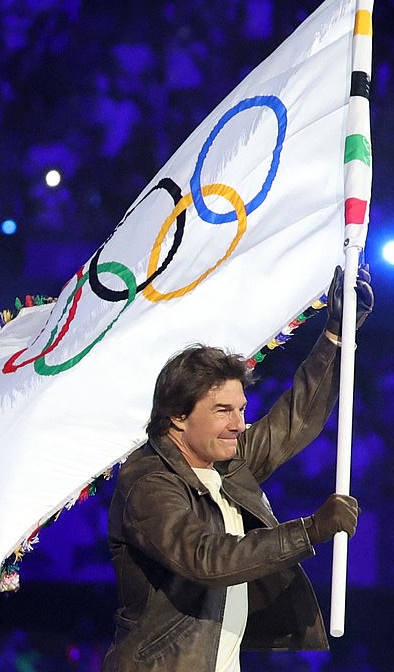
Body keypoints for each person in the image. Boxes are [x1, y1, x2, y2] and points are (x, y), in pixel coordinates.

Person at [102, 266, 374, 672]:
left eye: (242, 409)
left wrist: (336, 334)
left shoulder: (225, 461)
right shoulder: (148, 482)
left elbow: (294, 419)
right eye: (222, 411)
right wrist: (311, 530)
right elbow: (206, 558)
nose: (238, 423)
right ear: (178, 417)